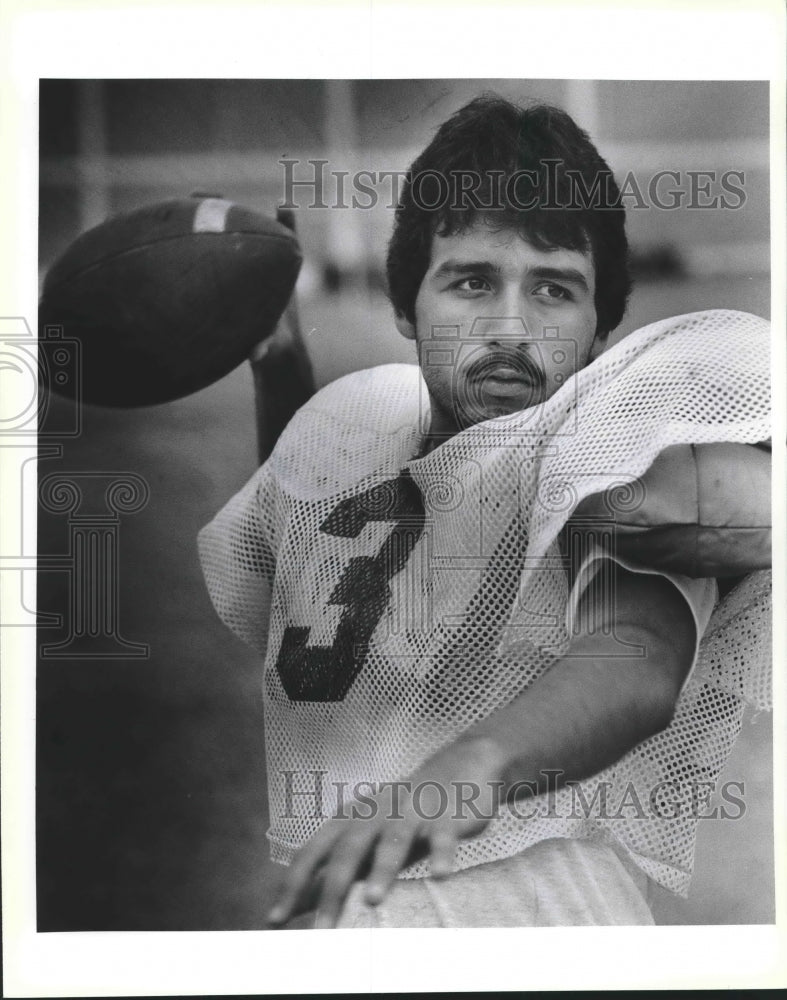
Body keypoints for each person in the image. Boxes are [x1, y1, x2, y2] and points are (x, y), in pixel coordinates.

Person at [198, 95, 771, 928]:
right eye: (472, 281)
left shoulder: (604, 448)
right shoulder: (351, 424)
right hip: (351, 913)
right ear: (406, 306)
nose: (510, 328)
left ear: (599, 330)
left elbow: (636, 653)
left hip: (536, 919)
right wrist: (281, 367)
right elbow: (319, 550)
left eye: (553, 289)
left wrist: (467, 767)